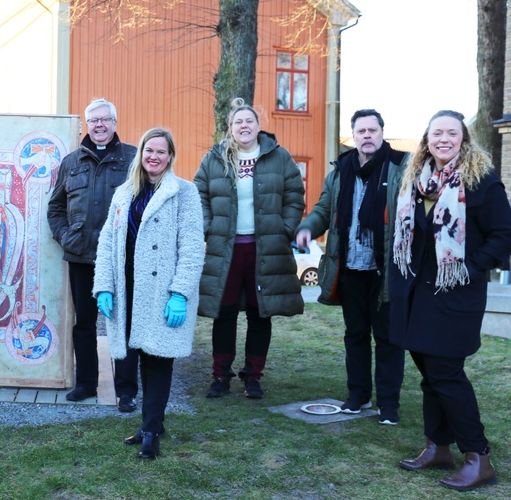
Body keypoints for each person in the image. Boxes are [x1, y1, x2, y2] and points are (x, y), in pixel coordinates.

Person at [390, 110, 511, 491]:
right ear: (427, 139)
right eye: (436, 133)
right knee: (430, 375)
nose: (443, 139)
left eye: (452, 133)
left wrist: (468, 268)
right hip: (417, 294)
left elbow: (504, 235)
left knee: (446, 373)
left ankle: (478, 457)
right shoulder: (417, 181)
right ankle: (438, 446)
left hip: (455, 294)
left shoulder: (481, 182)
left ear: (464, 138)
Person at [93, 128, 204, 459]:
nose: (154, 156)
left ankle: (151, 431)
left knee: (158, 359)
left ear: (170, 156)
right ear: (141, 154)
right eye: (148, 150)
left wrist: (180, 293)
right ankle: (151, 421)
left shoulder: (184, 193)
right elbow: (107, 242)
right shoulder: (125, 193)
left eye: (161, 151)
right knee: (138, 353)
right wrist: (104, 286)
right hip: (128, 288)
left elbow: (192, 248)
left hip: (160, 290)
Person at [296, 109, 407, 424]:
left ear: (382, 133)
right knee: (355, 335)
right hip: (351, 269)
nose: (367, 136)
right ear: (354, 136)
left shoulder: (400, 166)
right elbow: (323, 209)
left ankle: (388, 405)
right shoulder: (339, 171)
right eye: (362, 131)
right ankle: (358, 396)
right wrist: (308, 227)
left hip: (386, 271)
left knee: (388, 339)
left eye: (373, 130)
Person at [194, 99, 305, 400]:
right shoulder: (215, 158)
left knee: (260, 313)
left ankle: (253, 377)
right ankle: (221, 376)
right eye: (238, 122)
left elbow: (295, 195)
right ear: (230, 127)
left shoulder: (279, 157)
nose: (244, 126)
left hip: (265, 249)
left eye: (249, 121)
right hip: (225, 250)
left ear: (258, 126)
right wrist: (208, 227)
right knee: (224, 312)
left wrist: (284, 228)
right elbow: (199, 194)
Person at [47, 98, 139, 411]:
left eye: (105, 120)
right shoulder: (71, 162)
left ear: (115, 122)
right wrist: (65, 236)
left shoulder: (132, 159)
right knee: (84, 324)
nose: (99, 125)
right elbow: (56, 206)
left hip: (121, 258)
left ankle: (126, 389)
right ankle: (86, 383)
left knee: (122, 323)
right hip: (82, 257)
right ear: (86, 125)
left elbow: (145, 203)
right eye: (93, 120)